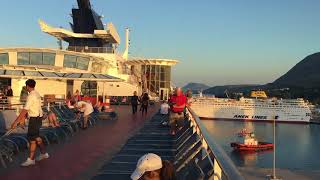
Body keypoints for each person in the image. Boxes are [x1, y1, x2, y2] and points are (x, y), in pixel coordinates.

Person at [11, 79, 49, 167]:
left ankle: (31, 159)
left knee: (32, 139)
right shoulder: (37, 93)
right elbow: (36, 107)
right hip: (38, 118)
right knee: (35, 137)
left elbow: (25, 110)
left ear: (27, 86)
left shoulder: (31, 96)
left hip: (34, 120)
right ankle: (43, 154)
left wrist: (15, 122)